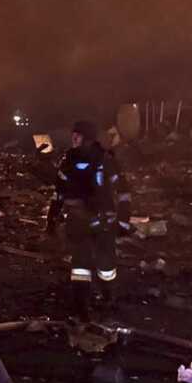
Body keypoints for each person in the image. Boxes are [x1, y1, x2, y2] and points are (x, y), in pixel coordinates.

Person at [48, 119, 132, 320]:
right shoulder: (75, 161)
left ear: (85, 137)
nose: (73, 139)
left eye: (77, 135)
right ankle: (88, 305)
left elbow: (123, 193)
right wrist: (52, 218)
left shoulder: (99, 161)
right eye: (73, 135)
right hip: (87, 223)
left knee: (98, 265)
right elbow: (59, 193)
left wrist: (123, 221)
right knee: (83, 265)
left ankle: (101, 300)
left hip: (94, 222)